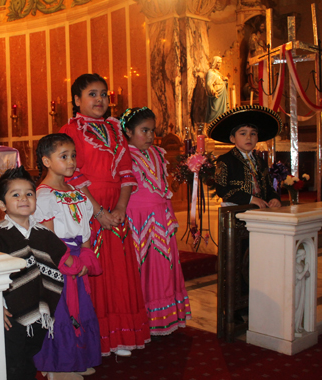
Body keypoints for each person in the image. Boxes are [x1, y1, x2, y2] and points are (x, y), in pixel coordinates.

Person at [59, 73, 150, 357]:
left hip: (115, 210)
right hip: (86, 207)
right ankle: (98, 337)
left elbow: (126, 171)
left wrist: (121, 208)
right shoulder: (70, 130)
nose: (100, 100)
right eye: (92, 94)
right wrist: (98, 212)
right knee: (94, 272)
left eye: (103, 94)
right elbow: (73, 173)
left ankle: (121, 335)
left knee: (119, 272)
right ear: (76, 100)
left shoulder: (114, 128)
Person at [0, 166, 70, 380]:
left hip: (40, 310)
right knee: (12, 360)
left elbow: (59, 261)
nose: (24, 198)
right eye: (16, 195)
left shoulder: (43, 233)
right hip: (9, 312)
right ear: (2, 204)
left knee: (29, 354)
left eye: (29, 194)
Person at [33, 134, 102, 380]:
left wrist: (85, 253)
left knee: (80, 309)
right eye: (64, 156)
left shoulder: (75, 191)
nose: (71, 161)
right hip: (58, 261)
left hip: (76, 257)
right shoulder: (44, 195)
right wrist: (68, 261)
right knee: (60, 311)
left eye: (73, 155)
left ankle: (76, 358)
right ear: (46, 161)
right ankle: (56, 365)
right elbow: (48, 238)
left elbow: (84, 227)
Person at [120, 107, 192, 336]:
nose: (150, 136)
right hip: (137, 220)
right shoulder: (124, 156)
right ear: (129, 131)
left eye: (152, 130)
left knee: (163, 265)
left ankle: (165, 317)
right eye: (144, 130)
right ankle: (143, 317)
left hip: (160, 218)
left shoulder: (158, 153)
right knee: (143, 267)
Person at [208, 105, 282, 208]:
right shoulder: (226, 160)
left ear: (257, 138)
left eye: (253, 134)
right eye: (243, 134)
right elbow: (222, 190)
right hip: (237, 211)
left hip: (260, 210)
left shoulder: (260, 161)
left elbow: (269, 187)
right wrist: (250, 199)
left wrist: (274, 198)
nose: (248, 137)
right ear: (233, 138)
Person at [205, 56, 228, 123]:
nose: (219, 64)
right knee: (215, 109)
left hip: (222, 94)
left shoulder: (218, 73)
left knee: (222, 113)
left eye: (220, 63)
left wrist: (225, 80)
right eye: (218, 63)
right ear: (215, 63)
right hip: (217, 94)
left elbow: (221, 79)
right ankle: (212, 123)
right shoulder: (210, 72)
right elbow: (209, 84)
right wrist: (213, 91)